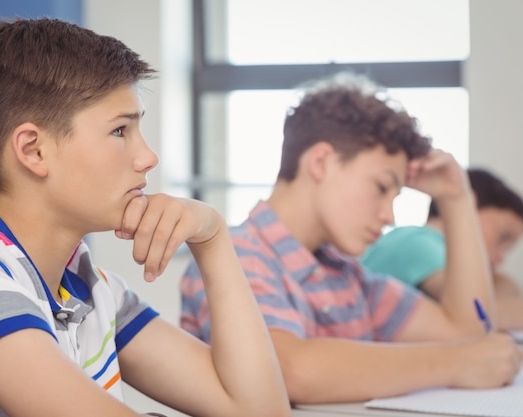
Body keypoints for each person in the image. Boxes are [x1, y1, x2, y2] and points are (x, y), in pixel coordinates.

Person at [0, 17, 290, 417]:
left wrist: (212, 236)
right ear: (34, 151)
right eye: (121, 131)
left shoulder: (92, 289)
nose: (148, 157)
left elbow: (258, 410)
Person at [180, 72, 523, 404]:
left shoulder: (351, 278)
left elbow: (470, 331)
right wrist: (455, 363)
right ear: (321, 162)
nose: (389, 216)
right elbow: (287, 368)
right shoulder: (236, 255)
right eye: (381, 187)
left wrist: (457, 199)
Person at [362, 167, 523, 330]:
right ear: (470, 205)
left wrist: (506, 284)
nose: (501, 258)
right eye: (503, 237)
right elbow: (477, 315)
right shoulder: (419, 242)